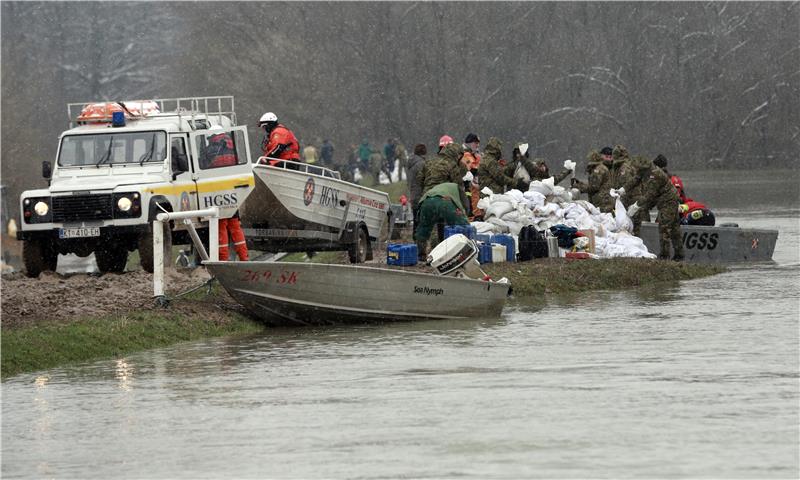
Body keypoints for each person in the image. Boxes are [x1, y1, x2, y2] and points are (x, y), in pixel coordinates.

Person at [623, 156, 684, 261]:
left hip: (669, 201)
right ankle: (679, 255)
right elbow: (635, 180)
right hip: (663, 200)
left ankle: (665, 256)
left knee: (665, 228)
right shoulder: (644, 171)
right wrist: (623, 189)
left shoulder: (655, 174)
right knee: (674, 228)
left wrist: (636, 205)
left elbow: (650, 194)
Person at [415, 182, 470, 262]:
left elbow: (440, 222)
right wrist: (465, 217)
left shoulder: (440, 187)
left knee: (424, 229)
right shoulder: (458, 188)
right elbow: (466, 205)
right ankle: (465, 252)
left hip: (427, 201)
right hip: (444, 200)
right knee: (461, 226)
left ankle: (421, 255)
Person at [406, 143, 427, 236]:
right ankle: (419, 238)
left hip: (413, 193)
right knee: (421, 218)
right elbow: (423, 179)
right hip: (420, 194)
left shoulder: (411, 162)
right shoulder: (421, 164)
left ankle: (415, 236)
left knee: (416, 218)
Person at [462, 133, 482, 220]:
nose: (477, 145)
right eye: (475, 143)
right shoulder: (466, 155)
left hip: (474, 192)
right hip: (469, 191)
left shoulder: (474, 155)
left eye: (478, 143)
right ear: (469, 143)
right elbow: (473, 169)